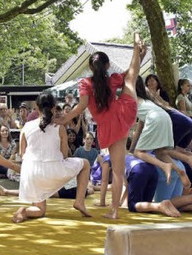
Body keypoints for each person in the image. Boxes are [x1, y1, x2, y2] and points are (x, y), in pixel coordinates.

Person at [59, 33, 146, 219]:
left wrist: (64, 119)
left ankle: (114, 211)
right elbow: (132, 71)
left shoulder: (86, 83)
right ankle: (114, 210)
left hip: (108, 124)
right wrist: (139, 53)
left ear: (91, 67)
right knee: (131, 77)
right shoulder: (112, 79)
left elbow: (81, 107)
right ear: (107, 65)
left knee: (116, 170)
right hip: (123, 113)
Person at [11, 94, 91, 223]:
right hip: (52, 170)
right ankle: (79, 202)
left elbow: (21, 153)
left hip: (31, 172)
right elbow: (64, 155)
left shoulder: (26, 126)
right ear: (54, 108)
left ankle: (25, 211)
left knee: (40, 210)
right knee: (85, 164)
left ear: (36, 107)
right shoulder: (59, 127)